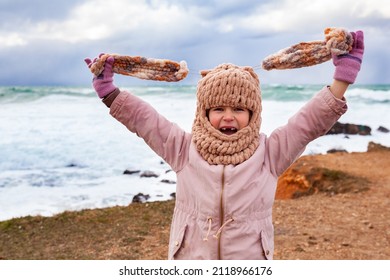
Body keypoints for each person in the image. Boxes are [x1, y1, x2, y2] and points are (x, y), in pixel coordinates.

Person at [84, 31, 364, 260]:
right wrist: (109, 92)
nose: (228, 116)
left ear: (253, 114)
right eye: (217, 108)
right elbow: (145, 121)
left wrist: (343, 77)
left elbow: (308, 123)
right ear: (203, 113)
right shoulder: (183, 149)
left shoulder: (270, 154)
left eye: (239, 109)